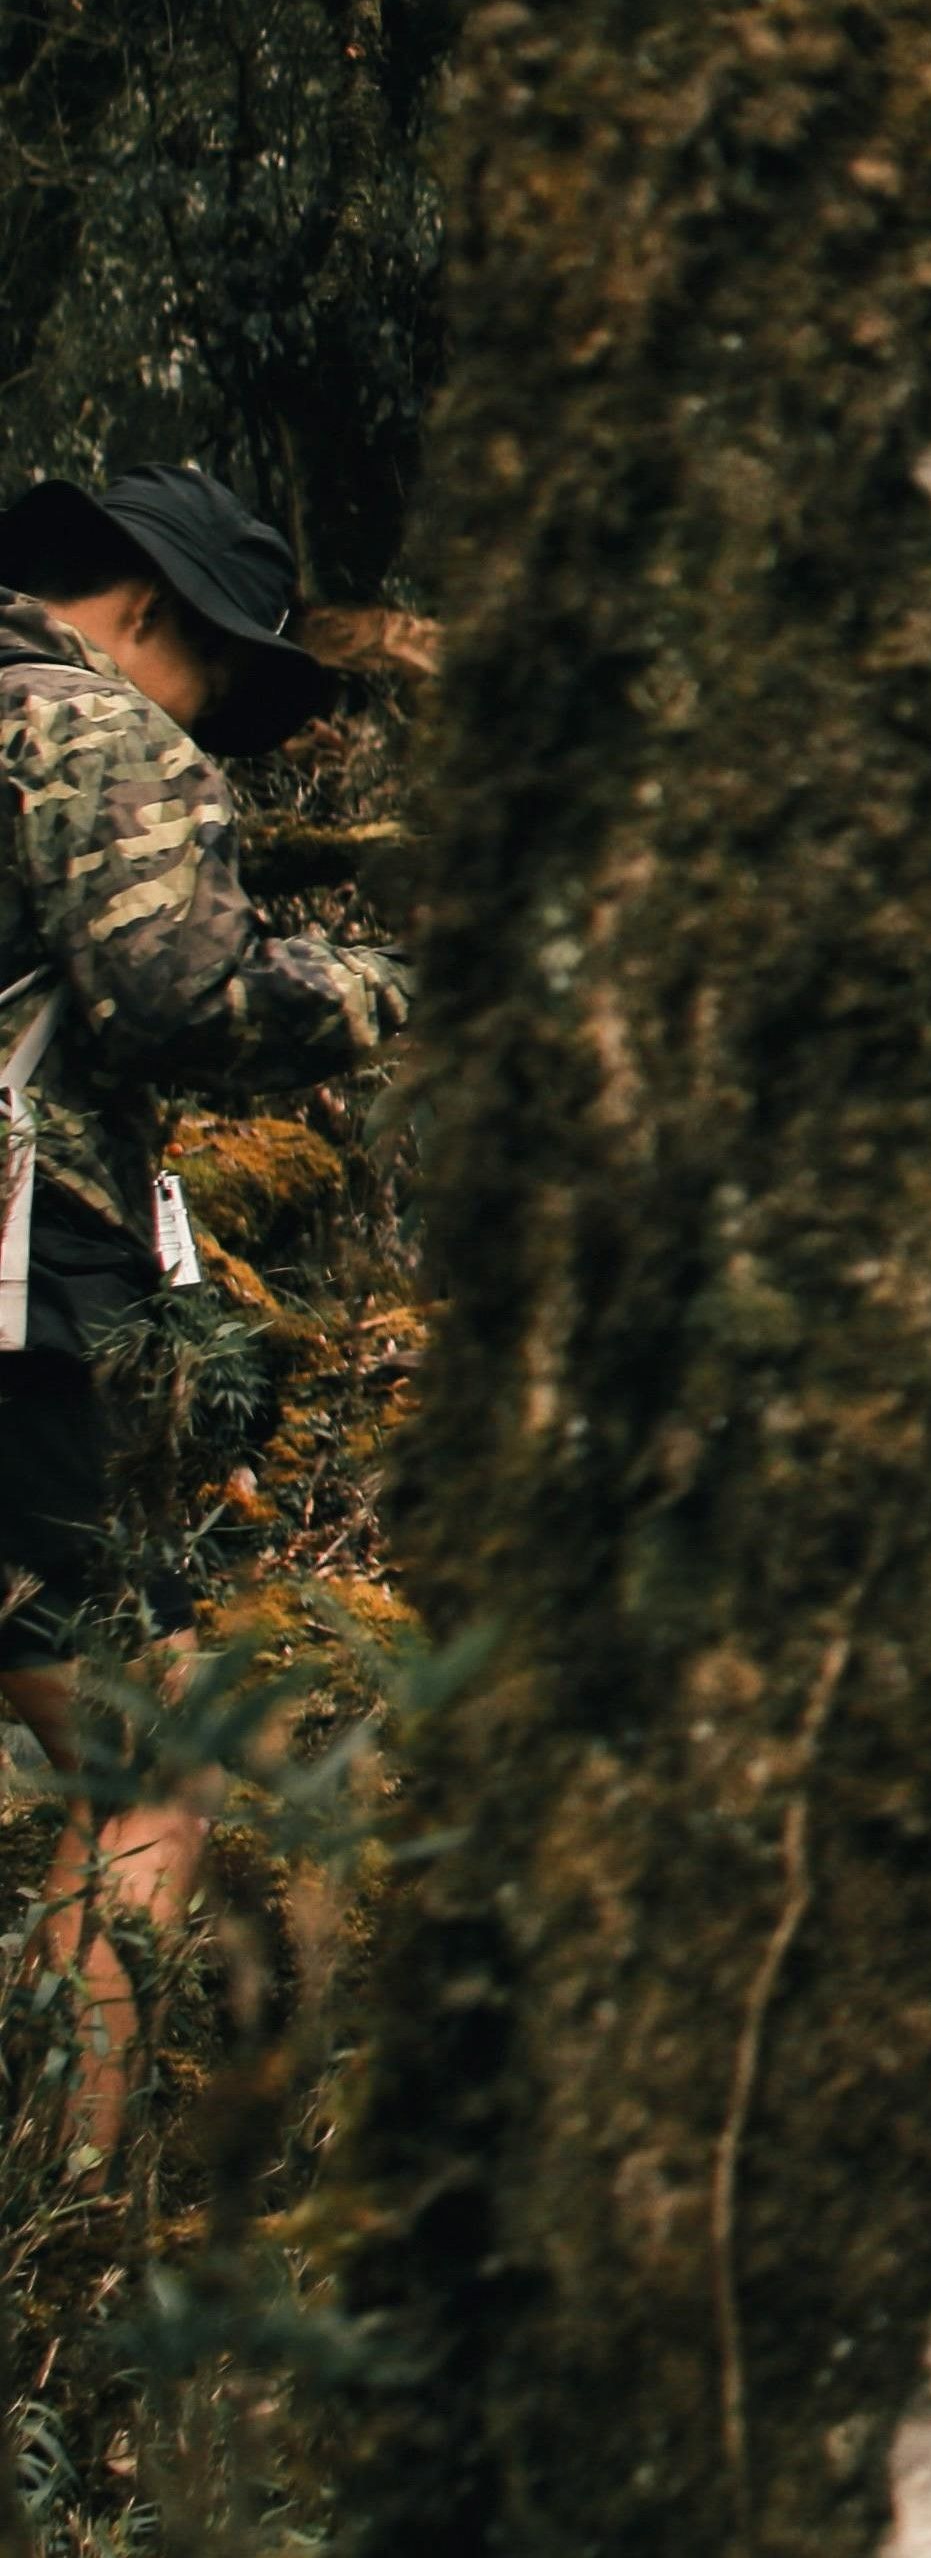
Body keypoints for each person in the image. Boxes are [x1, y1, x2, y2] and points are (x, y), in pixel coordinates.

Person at [0, 466, 397, 2176]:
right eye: (224, 682)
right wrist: (382, 986)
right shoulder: (85, 731)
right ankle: (57, 2227)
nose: (220, 725)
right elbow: (184, 995)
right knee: (152, 1767)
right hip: (23, 1299)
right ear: (148, 606)